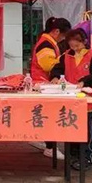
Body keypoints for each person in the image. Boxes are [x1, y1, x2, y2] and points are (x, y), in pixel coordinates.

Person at [50, 28, 92, 171]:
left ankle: (88, 157)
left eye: (77, 45)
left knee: (88, 130)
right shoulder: (66, 56)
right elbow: (57, 69)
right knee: (71, 126)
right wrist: (55, 77)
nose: (74, 48)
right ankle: (73, 156)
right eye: (71, 45)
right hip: (70, 98)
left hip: (89, 99)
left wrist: (84, 82)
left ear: (84, 42)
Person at [30, 17, 72, 159]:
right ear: (56, 31)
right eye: (64, 36)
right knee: (49, 116)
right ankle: (50, 147)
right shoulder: (46, 44)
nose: (64, 39)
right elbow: (48, 65)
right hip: (43, 84)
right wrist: (65, 59)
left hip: (44, 84)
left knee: (44, 115)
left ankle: (45, 142)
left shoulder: (48, 42)